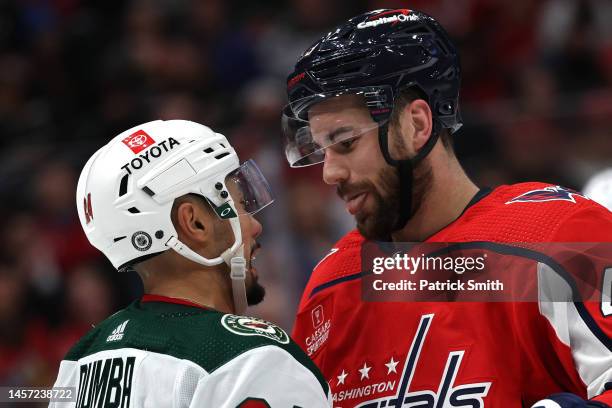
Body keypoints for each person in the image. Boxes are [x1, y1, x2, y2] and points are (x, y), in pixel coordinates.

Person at [281, 9, 612, 408]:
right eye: (322, 149)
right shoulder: (333, 283)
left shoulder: (560, 234)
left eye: (346, 141)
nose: (329, 173)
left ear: (417, 125)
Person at [50, 120, 331, 407]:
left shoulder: (79, 360)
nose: (255, 226)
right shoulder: (250, 357)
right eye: (242, 206)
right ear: (194, 222)